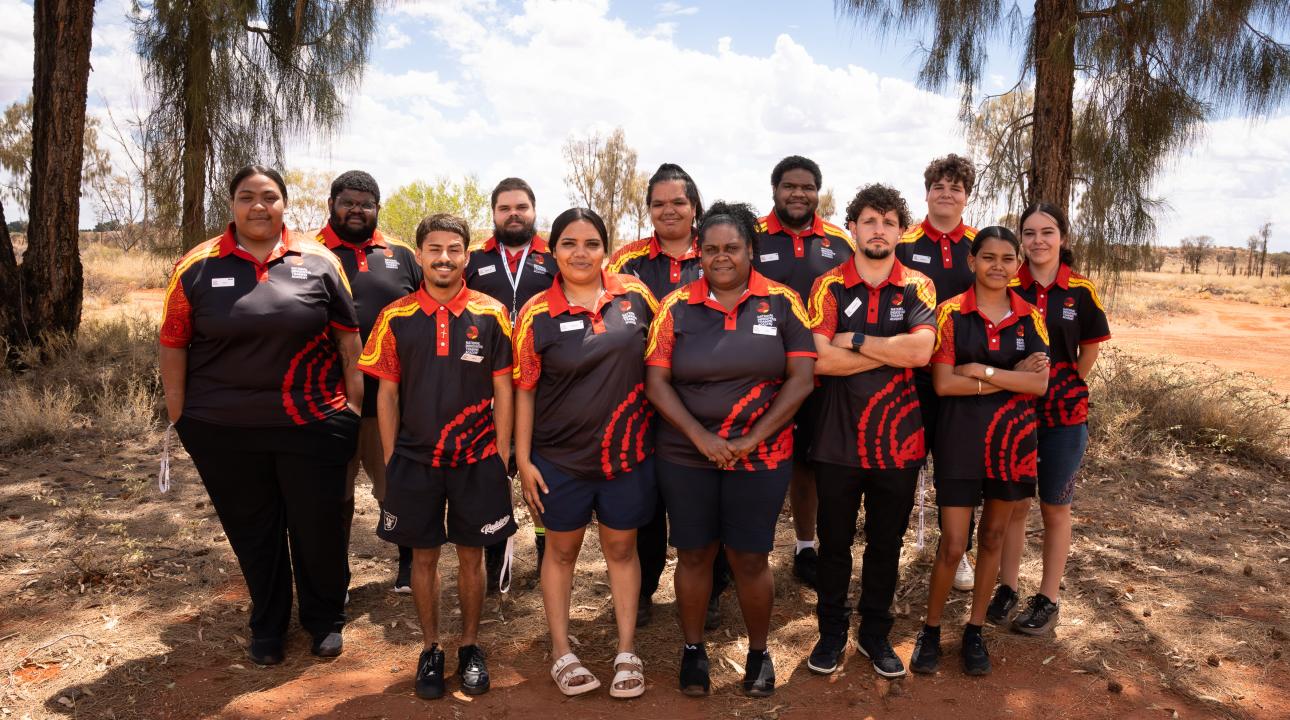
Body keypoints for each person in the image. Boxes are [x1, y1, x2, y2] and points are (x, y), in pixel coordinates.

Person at [159, 165, 362, 665]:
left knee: (318, 525)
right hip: (223, 429)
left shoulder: (318, 260)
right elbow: (173, 343)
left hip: (313, 423)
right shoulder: (196, 265)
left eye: (269, 196)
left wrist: (352, 409)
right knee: (254, 529)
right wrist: (182, 417)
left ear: (284, 204)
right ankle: (268, 622)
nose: (258, 206)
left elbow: (348, 340)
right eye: (247, 196)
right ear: (231, 203)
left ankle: (324, 618)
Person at [646, 201, 816, 698]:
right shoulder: (675, 306)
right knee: (694, 554)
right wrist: (702, 438)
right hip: (684, 455)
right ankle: (694, 651)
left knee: (749, 557)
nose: (721, 257)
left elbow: (802, 379)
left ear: (751, 250)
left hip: (760, 457)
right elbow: (656, 383)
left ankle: (759, 654)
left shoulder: (783, 303)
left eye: (733, 248)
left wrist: (749, 440)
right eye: (711, 248)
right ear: (699, 252)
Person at [358, 213, 517, 700]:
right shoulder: (396, 316)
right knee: (422, 560)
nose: (444, 258)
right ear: (420, 255)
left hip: (476, 459)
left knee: (472, 559)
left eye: (453, 249)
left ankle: (470, 646)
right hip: (415, 461)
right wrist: (391, 459)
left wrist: (501, 453)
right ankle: (431, 648)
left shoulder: (491, 314)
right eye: (434, 249)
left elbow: (504, 389)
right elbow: (385, 396)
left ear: (466, 255)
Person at [514, 208, 659, 698]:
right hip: (559, 460)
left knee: (621, 549)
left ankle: (625, 651)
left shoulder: (636, 297)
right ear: (552, 251)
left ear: (605, 248)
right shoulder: (535, 313)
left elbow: (662, 363)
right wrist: (523, 459)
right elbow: (525, 390)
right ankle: (561, 650)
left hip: (628, 456)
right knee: (561, 551)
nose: (581, 253)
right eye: (569, 243)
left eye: (592, 243)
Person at [804, 184, 937, 678]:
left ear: (901, 231)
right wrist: (889, 350)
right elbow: (820, 358)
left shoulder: (917, 286)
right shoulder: (829, 284)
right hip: (838, 437)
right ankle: (831, 633)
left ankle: (874, 634)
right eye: (868, 220)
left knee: (886, 543)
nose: (878, 229)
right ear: (853, 227)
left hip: (899, 440)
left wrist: (856, 340)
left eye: (887, 221)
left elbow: (921, 353)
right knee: (834, 544)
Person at [910, 226, 1050, 677]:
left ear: (1018, 264)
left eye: (1008, 258)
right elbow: (943, 383)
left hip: (1013, 443)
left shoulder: (1031, 317)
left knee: (992, 538)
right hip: (960, 440)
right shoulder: (950, 314)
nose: (998, 266)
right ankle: (930, 630)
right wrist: (1008, 375)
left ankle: (974, 630)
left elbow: (1040, 384)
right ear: (972, 261)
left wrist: (982, 369)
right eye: (988, 257)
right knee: (952, 544)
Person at [607, 162, 729, 629]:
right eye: (658, 203)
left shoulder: (717, 251)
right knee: (646, 501)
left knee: (705, 500)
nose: (669, 210)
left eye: (678, 201)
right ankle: (640, 590)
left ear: (695, 205)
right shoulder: (626, 262)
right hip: (640, 402)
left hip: (709, 398)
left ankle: (712, 589)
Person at [987, 202, 1110, 635]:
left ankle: (1048, 598)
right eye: (1030, 233)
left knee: (1055, 507)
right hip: (1015, 413)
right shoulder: (1007, 286)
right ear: (1020, 240)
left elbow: (1090, 348)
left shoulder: (1080, 290)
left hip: (1065, 416)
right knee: (1014, 505)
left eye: (1048, 232)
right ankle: (1007, 587)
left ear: (1063, 237)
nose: (1038, 240)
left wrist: (1065, 382)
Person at [316, 170, 422, 593]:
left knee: (397, 485)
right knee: (333, 497)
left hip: (391, 401)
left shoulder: (401, 255)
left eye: (366, 203)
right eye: (348, 201)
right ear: (332, 205)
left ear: (378, 207)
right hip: (328, 403)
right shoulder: (309, 253)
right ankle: (335, 575)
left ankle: (409, 565)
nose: (357, 210)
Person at [753, 155, 855, 589]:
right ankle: (748, 549)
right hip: (761, 371)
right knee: (756, 460)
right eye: (790, 186)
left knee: (812, 464)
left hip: (824, 373)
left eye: (807, 186)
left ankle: (806, 547)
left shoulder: (839, 241)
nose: (799, 193)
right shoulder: (751, 235)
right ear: (774, 189)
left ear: (819, 191)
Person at [465, 177, 556, 592]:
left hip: (546, 383)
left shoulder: (556, 257)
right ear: (494, 214)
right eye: (505, 208)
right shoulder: (472, 260)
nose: (513, 214)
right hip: (488, 382)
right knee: (493, 468)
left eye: (521, 206)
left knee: (538, 471)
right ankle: (494, 554)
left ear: (534, 211)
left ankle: (544, 553)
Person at [896, 153, 980, 593]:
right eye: (939, 187)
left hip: (963, 377)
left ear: (967, 196)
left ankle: (959, 550)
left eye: (956, 188)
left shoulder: (979, 244)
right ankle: (892, 547)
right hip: (912, 378)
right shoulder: (904, 243)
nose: (946, 194)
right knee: (903, 465)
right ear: (926, 192)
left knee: (958, 469)